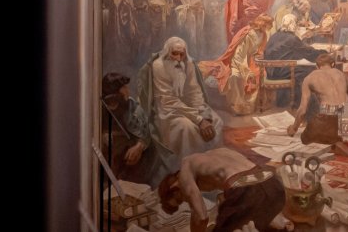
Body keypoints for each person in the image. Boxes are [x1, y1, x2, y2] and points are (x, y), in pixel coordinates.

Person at [136, 37, 222, 167]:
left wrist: (204, 116)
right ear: (167, 53)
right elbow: (169, 100)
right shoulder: (158, 66)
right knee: (187, 127)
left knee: (217, 122)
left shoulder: (189, 64)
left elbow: (194, 92)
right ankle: (188, 168)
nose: (178, 58)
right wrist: (199, 120)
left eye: (181, 54)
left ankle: (211, 166)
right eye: (174, 53)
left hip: (188, 108)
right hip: (167, 111)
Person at [156, 147, 287, 232]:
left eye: (179, 199)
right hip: (273, 185)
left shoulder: (186, 166)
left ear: (174, 187)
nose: (185, 199)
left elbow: (201, 217)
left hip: (247, 191)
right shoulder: (216, 153)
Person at [287, 52, 348, 157]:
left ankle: (335, 143)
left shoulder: (309, 78)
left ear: (317, 66)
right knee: (343, 112)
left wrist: (294, 128)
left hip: (329, 118)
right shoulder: (340, 73)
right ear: (332, 64)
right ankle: (342, 136)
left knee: (305, 139)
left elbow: (302, 111)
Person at [99, 72, 165, 185]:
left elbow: (147, 131)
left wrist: (139, 146)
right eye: (123, 87)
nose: (127, 90)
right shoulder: (100, 109)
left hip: (132, 153)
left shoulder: (132, 106)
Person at [202, 14, 272, 115]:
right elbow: (239, 55)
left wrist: (258, 56)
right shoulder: (248, 34)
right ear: (261, 23)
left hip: (251, 61)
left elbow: (259, 51)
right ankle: (236, 106)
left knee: (259, 75)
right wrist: (247, 71)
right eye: (267, 24)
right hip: (236, 61)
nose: (268, 27)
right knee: (235, 76)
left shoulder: (263, 34)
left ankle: (248, 106)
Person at [260, 13, 327, 109]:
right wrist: (324, 52)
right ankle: (305, 106)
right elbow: (308, 53)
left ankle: (285, 102)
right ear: (293, 25)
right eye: (296, 25)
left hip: (271, 73)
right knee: (309, 71)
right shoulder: (292, 39)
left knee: (301, 70)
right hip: (282, 73)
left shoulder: (274, 36)